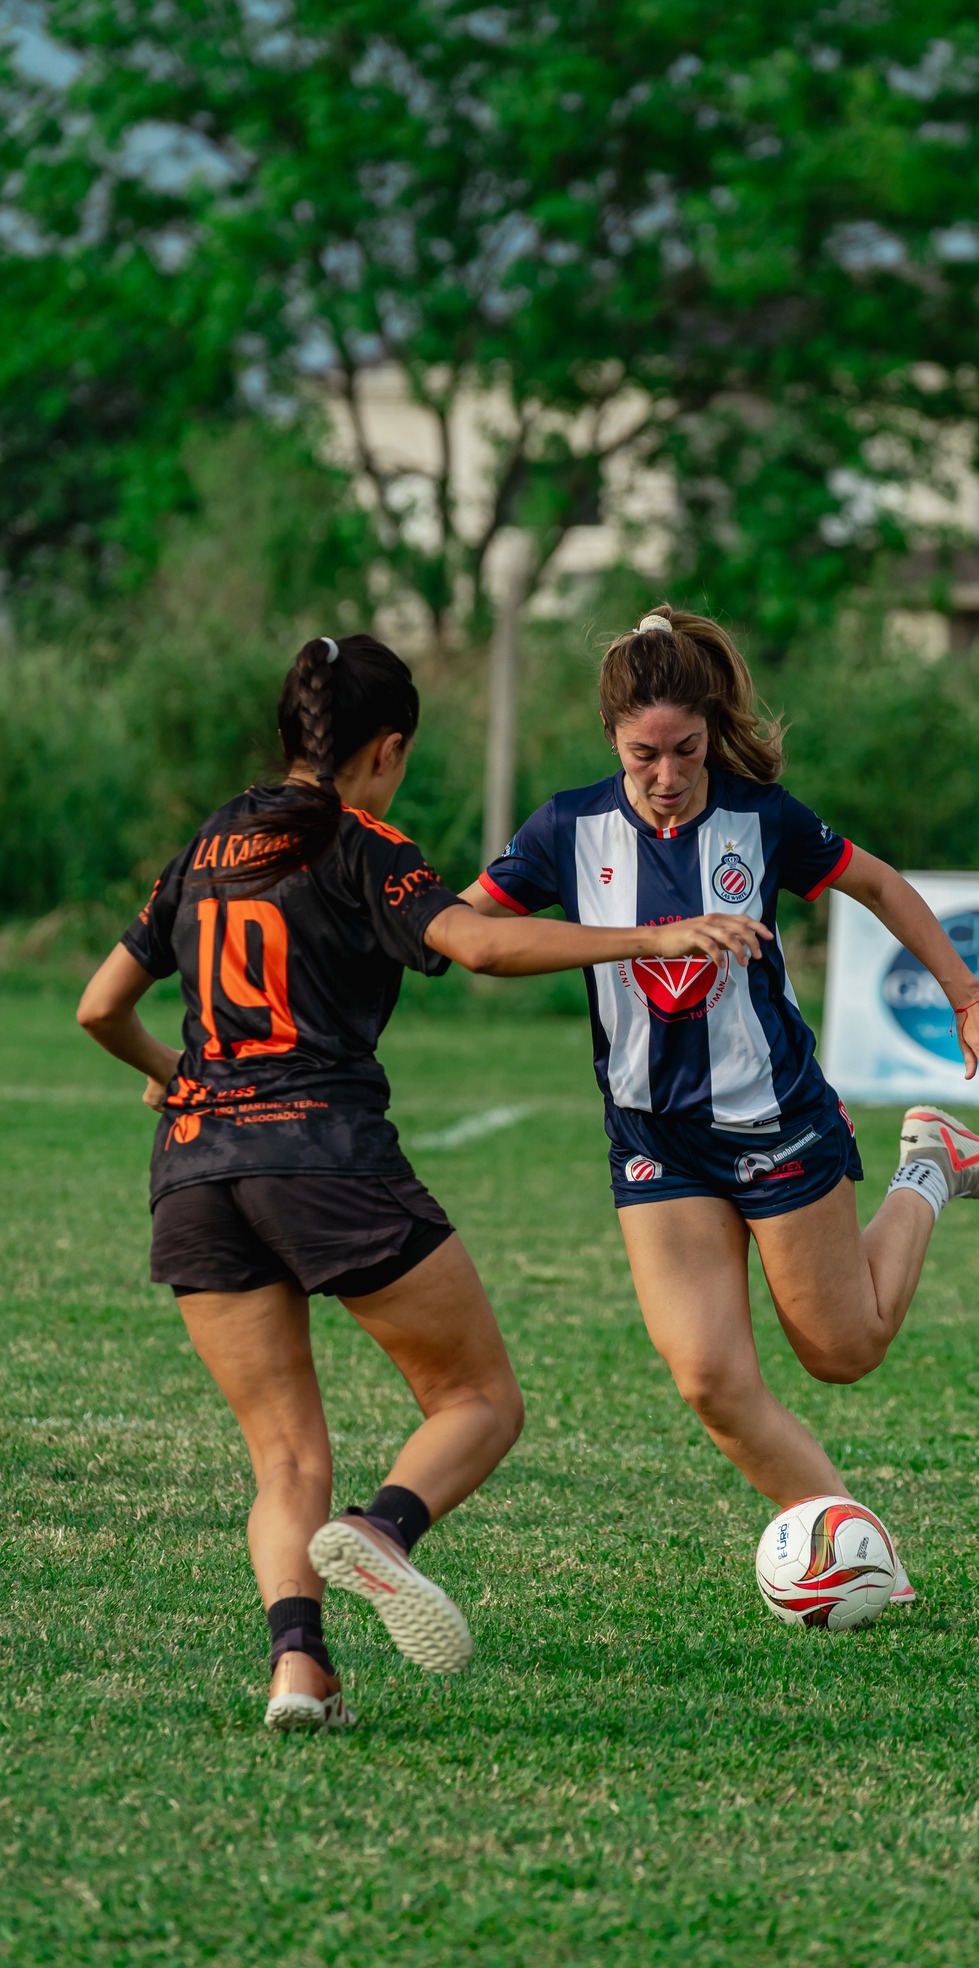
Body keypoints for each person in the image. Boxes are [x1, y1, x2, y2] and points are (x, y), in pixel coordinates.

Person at [77, 633, 764, 1728]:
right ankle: (383, 1526)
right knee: (479, 1401)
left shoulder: (206, 844)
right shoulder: (363, 845)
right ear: (387, 749)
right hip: (321, 1157)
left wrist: (176, 1075)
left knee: (283, 1455)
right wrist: (656, 934)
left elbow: (99, 1006)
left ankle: (299, 1668)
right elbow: (479, 946)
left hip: (196, 1170)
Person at [463, 606, 979, 1601]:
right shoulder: (566, 829)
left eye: (686, 749)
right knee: (710, 1378)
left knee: (843, 1351)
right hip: (654, 1138)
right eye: (644, 754)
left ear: (710, 732)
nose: (667, 774)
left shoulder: (760, 819)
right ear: (610, 737)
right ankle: (862, 1562)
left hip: (774, 1121)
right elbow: (469, 935)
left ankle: (931, 1167)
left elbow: (878, 885)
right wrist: (643, 939)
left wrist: (968, 997)